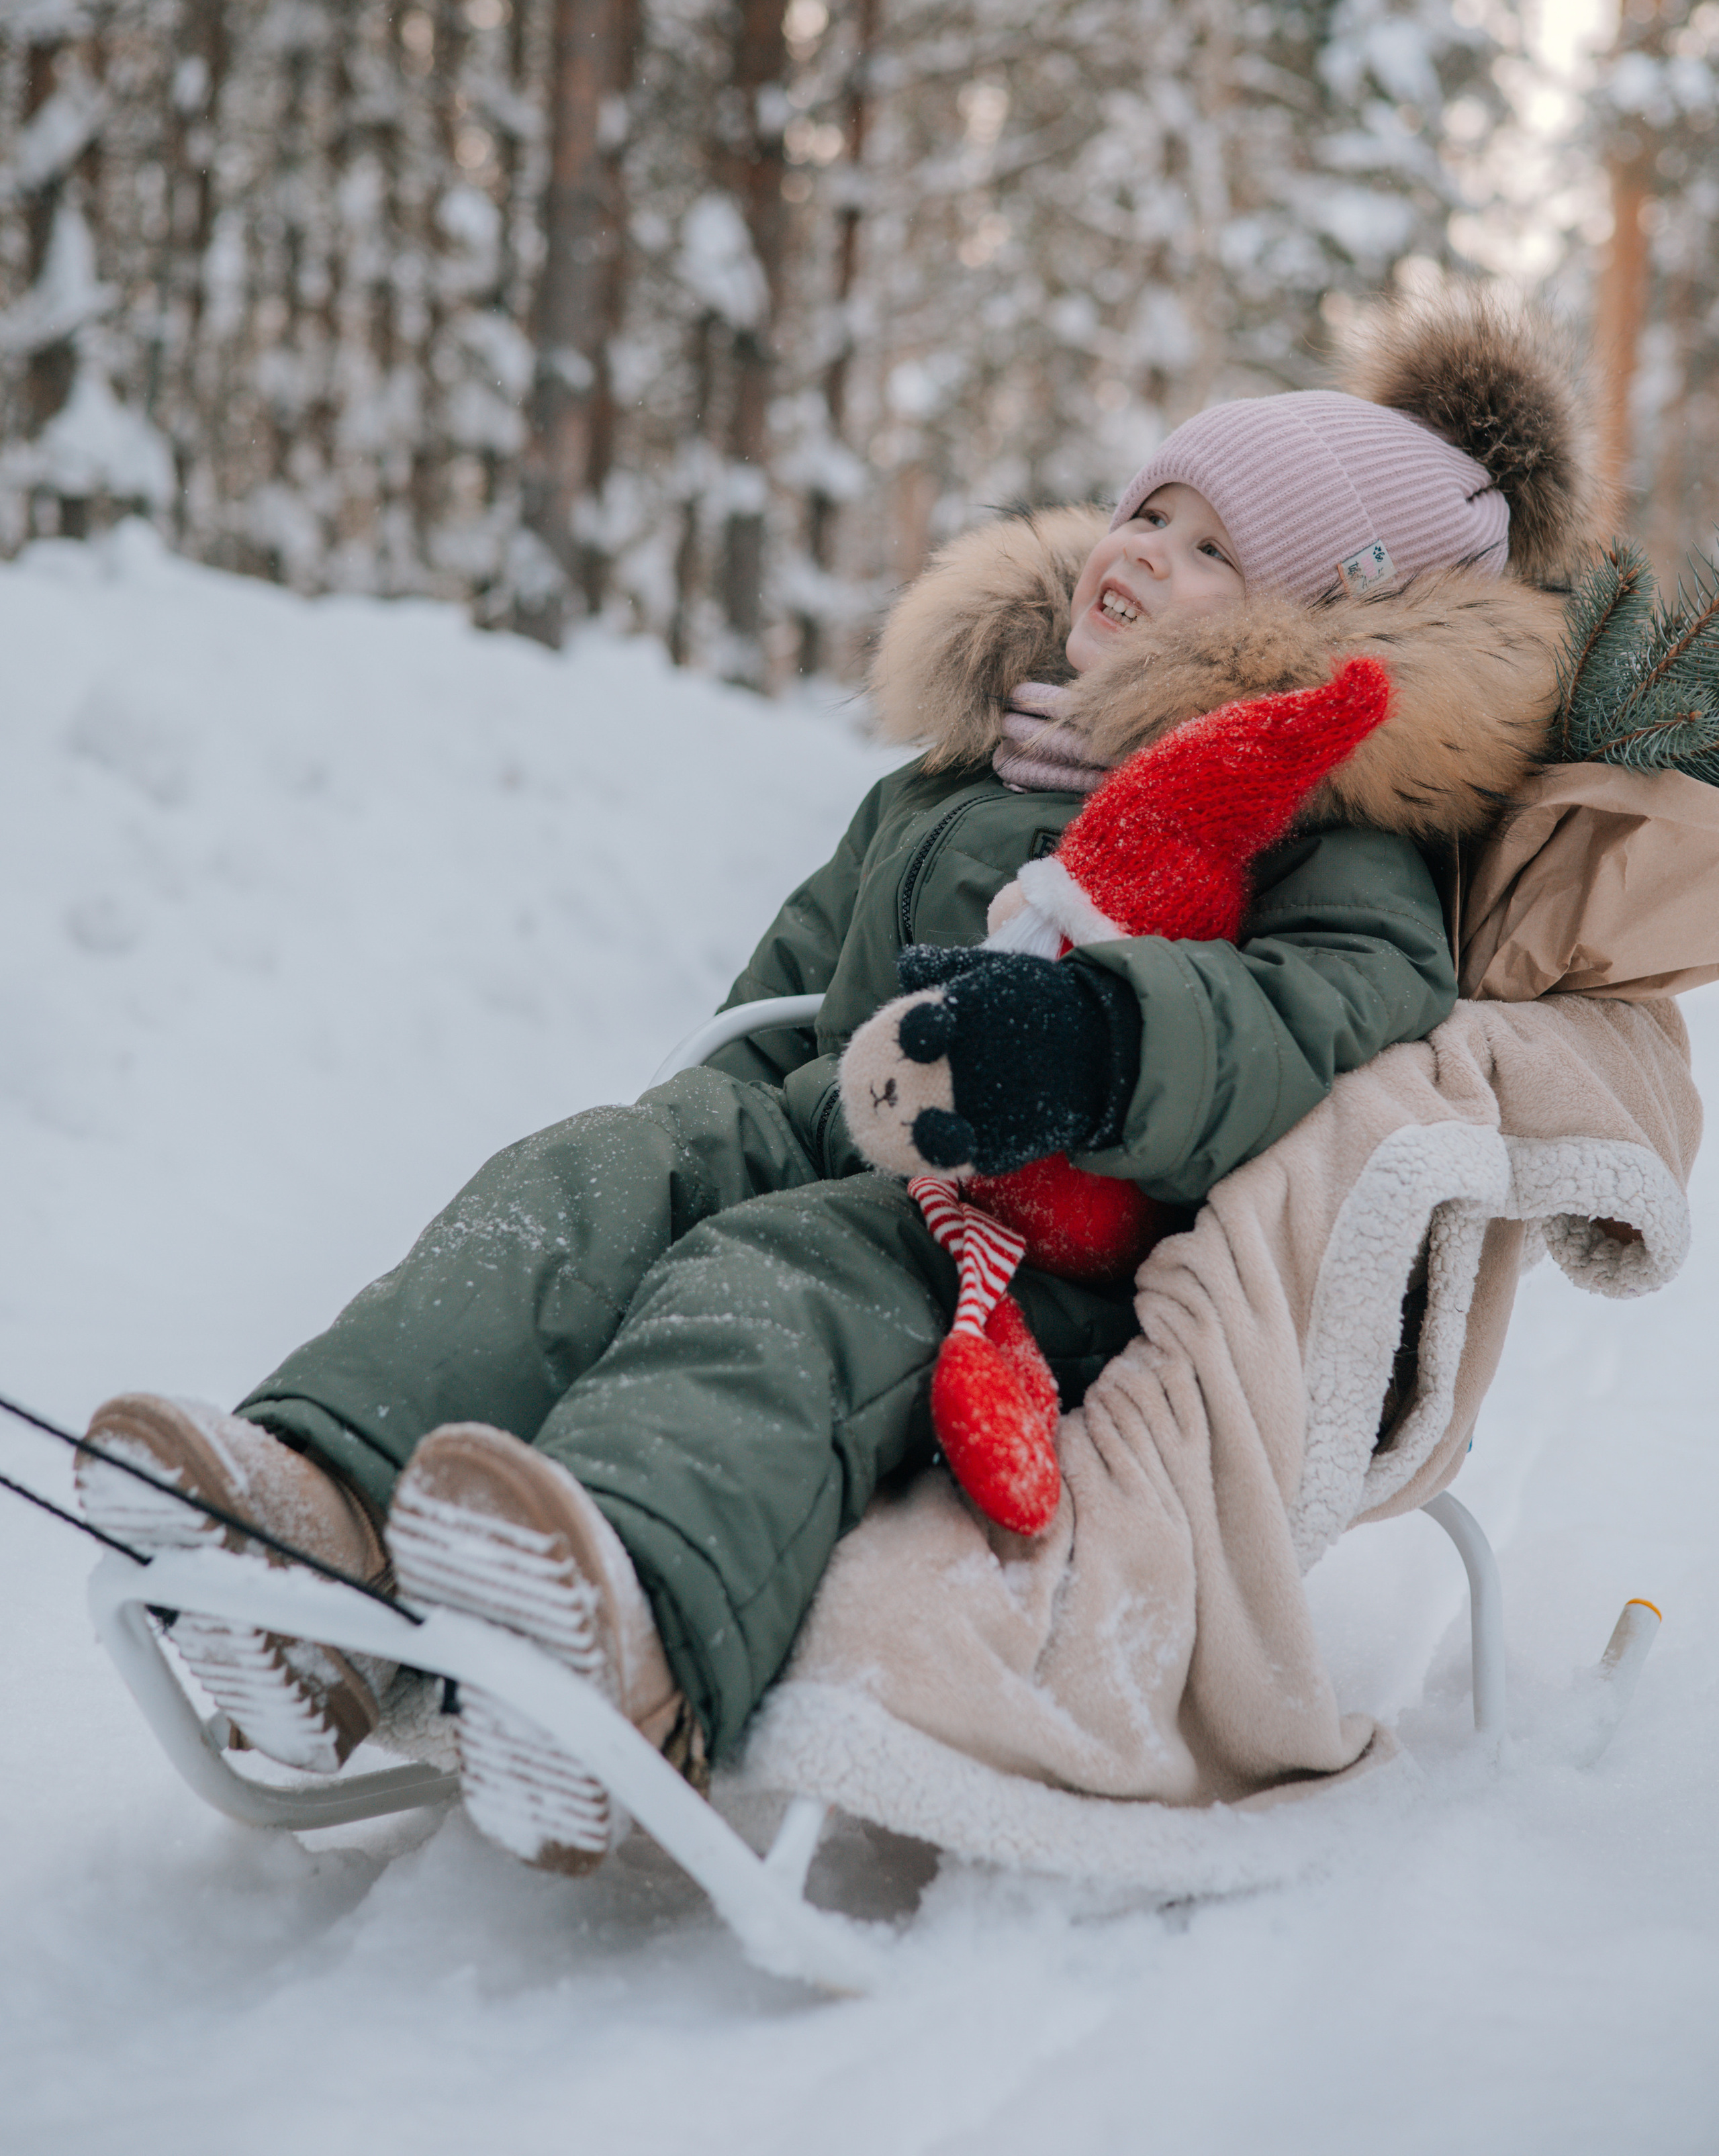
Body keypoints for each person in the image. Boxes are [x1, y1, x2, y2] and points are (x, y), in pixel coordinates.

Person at [78, 285, 1591, 1877]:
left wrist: (1096, 1039)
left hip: (1046, 1241)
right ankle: (315, 1516)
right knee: (605, 1169)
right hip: (846, 1137)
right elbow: (784, 997)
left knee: (780, 1276)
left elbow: (1340, 1006)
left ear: (1306, 624)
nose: (1142, 551)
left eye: (1212, 549)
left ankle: (627, 1631)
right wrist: (693, 1141)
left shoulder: (1314, 820)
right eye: (1147, 511)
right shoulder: (957, 774)